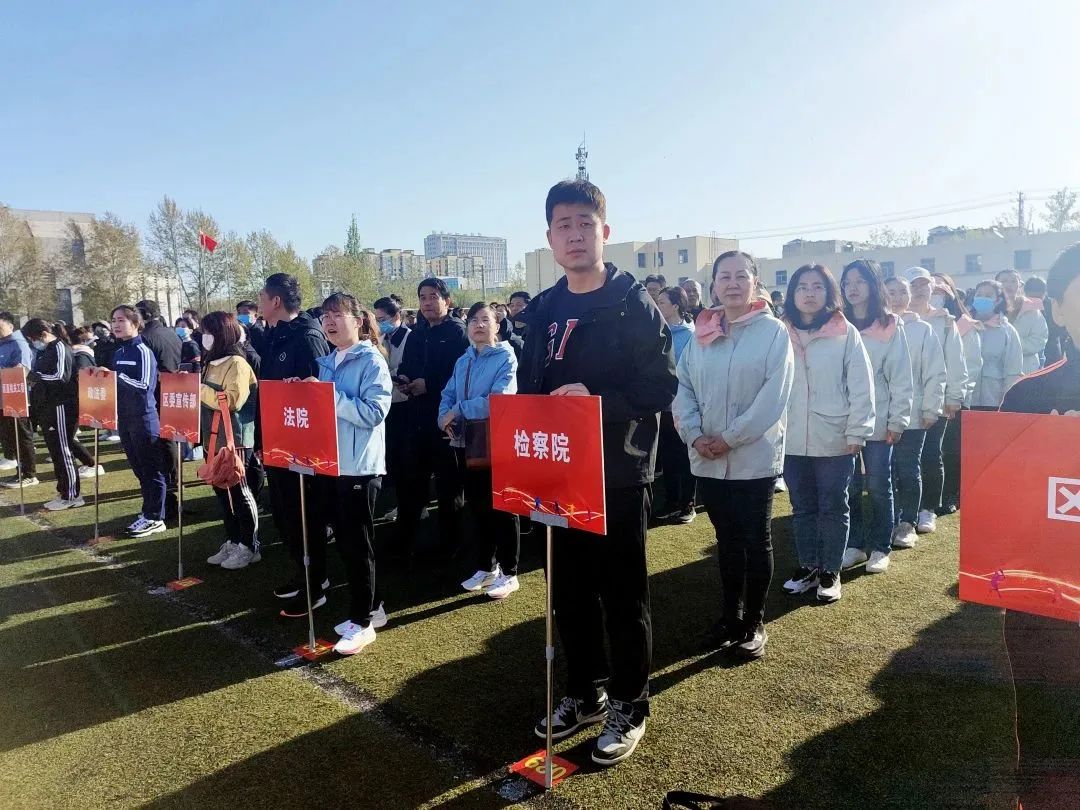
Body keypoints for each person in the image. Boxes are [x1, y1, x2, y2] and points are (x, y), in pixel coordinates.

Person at [519, 179, 676, 766]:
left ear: (604, 232)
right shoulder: (543, 309)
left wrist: (594, 402)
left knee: (623, 595)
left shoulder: (632, 304)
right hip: (554, 473)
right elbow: (531, 386)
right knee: (568, 592)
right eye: (564, 225)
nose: (575, 235)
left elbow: (659, 385)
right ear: (550, 238)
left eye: (585, 223)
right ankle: (585, 691)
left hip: (616, 473)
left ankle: (630, 703)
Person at [675, 251, 793, 657]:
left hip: (753, 457)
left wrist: (729, 437)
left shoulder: (773, 332)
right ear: (713, 287)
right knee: (726, 541)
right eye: (724, 276)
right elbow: (684, 389)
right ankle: (730, 615)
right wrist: (694, 435)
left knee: (755, 539)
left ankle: (754, 621)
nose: (732, 283)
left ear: (755, 282)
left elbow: (772, 399)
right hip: (708, 455)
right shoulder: (700, 333)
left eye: (741, 276)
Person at [997, 243, 1080, 810]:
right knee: (1052, 737)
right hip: (1047, 601)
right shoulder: (1027, 397)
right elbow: (1006, 516)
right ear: (1056, 310)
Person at [780, 264, 875, 603]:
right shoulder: (780, 331)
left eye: (817, 286)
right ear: (792, 293)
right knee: (802, 506)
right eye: (802, 286)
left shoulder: (844, 332)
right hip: (791, 437)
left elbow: (861, 385)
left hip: (835, 434)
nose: (809, 292)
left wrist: (858, 430)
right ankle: (807, 566)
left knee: (834, 505)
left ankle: (830, 571)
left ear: (828, 292)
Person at [310, 294, 392, 655]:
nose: (329, 322)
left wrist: (327, 398)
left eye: (337, 315)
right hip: (332, 462)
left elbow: (375, 412)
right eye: (325, 316)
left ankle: (362, 621)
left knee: (358, 545)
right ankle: (373, 608)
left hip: (359, 465)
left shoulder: (371, 360)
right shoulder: (326, 361)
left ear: (358, 320)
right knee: (346, 542)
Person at [255, 272, 331, 614]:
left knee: (305, 514)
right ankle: (304, 575)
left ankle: (315, 585)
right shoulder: (272, 336)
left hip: (303, 444)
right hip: (276, 440)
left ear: (275, 301)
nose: (257, 304)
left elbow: (320, 392)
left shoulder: (307, 335)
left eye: (260, 298)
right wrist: (261, 437)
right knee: (285, 514)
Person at [439, 301, 521, 599]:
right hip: (464, 442)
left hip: (493, 441)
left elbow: (499, 400)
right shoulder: (464, 360)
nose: (478, 325)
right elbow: (447, 393)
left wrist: (458, 410)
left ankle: (510, 571)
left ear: (497, 325)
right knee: (477, 506)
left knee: (502, 506)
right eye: (473, 320)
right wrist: (443, 418)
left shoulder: (506, 358)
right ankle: (487, 566)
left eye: (485, 320)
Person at [839, 260, 912, 574]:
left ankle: (881, 546)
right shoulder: (836, 323)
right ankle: (854, 545)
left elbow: (900, 376)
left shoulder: (890, 324)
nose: (853, 288)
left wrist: (898, 420)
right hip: (843, 420)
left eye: (860, 281)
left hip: (880, 420)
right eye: (847, 283)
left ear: (872, 285)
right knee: (850, 486)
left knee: (880, 485)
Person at [395, 277, 469, 558]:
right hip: (418, 416)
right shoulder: (417, 333)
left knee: (449, 485)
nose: (427, 302)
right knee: (413, 480)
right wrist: (405, 380)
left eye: (433, 296)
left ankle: (451, 544)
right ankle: (407, 539)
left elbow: (460, 375)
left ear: (447, 301)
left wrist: (429, 383)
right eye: (422, 297)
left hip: (448, 419)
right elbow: (408, 365)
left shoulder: (457, 333)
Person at [883, 277, 946, 549]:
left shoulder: (923, 330)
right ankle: (888, 522)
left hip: (913, 413)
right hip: (880, 414)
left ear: (910, 296)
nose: (897, 298)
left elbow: (935, 372)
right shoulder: (876, 327)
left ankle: (907, 522)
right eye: (891, 292)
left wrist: (931, 407)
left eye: (902, 292)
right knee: (883, 473)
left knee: (908, 468)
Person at [904, 266, 967, 536]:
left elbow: (955, 360)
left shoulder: (944, 321)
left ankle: (928, 507)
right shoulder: (897, 320)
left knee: (931, 454)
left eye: (924, 284)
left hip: (936, 397)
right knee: (907, 459)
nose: (919, 289)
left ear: (933, 288)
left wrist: (954, 396)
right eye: (913, 284)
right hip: (905, 400)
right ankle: (906, 509)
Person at [197, 312, 261, 571]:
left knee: (240, 492)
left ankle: (250, 545)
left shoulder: (237, 363)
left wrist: (198, 389)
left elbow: (233, 400)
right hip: (212, 438)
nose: (204, 338)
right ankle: (233, 540)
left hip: (235, 439)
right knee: (222, 492)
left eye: (208, 332)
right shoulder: (210, 362)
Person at [109, 305, 168, 537]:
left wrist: (116, 377)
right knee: (139, 469)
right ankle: (148, 512)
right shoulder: (119, 352)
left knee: (152, 469)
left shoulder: (142, 350)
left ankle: (156, 517)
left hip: (144, 418)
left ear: (135, 323)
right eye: (113, 320)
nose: (116, 324)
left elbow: (144, 387)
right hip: (125, 418)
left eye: (121, 320)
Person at [22, 320, 94, 510]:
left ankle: (72, 495)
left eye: (34, 339)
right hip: (47, 406)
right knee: (56, 451)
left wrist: (35, 378)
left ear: (43, 333)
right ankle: (64, 490)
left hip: (61, 406)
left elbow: (61, 376)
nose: (34, 342)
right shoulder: (45, 351)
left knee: (63, 450)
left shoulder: (60, 348)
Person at [931, 273, 981, 514]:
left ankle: (950, 493)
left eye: (940, 292)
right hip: (927, 399)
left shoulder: (963, 324)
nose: (935, 296)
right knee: (930, 453)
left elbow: (970, 365)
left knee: (950, 450)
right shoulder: (920, 321)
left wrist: (956, 396)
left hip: (953, 399)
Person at [135, 299, 183, 519]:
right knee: (170, 444)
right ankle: (173, 490)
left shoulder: (144, 339)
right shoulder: (171, 333)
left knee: (161, 449)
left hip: (154, 399)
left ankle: (167, 500)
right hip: (173, 394)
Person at [654, 286, 697, 523]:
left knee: (685, 457)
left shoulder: (691, 335)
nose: (658, 306)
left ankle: (687, 504)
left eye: (661, 302)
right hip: (663, 407)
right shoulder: (658, 331)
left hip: (684, 407)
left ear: (675, 306)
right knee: (669, 458)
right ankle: (671, 502)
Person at [969, 280, 1023, 409]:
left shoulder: (1007, 330)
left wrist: (1007, 400)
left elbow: (1013, 370)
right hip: (965, 400)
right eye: (979, 294)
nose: (982, 298)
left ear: (998, 300)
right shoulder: (965, 326)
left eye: (988, 296)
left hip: (993, 399)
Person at [0, 311, 38, 486]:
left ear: (10, 325)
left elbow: (22, 371)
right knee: (10, 437)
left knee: (22, 436)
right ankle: (19, 471)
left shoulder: (19, 344)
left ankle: (29, 475)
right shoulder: (2, 344)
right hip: (3, 399)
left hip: (17, 399)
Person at [67, 326, 106, 479]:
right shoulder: (79, 353)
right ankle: (88, 463)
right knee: (69, 435)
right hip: (76, 397)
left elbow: (83, 376)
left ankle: (91, 464)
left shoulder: (81, 355)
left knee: (68, 436)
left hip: (78, 398)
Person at [997, 269, 1047, 373]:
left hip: (1026, 369)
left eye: (1013, 281)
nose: (1008, 284)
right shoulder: (991, 309)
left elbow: (1039, 339)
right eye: (1004, 281)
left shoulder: (1032, 309)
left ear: (1020, 285)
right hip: (996, 371)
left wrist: (1012, 346)